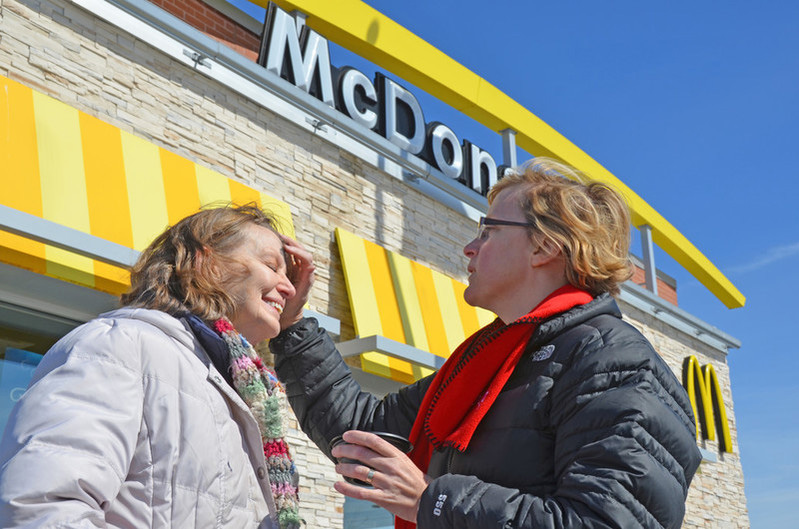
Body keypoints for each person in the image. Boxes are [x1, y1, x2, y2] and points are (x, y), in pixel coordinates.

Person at [269, 158, 702, 528]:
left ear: (544, 247)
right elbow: (365, 432)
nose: (469, 248)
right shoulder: (493, 361)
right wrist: (292, 326)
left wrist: (433, 501)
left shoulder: (614, 361)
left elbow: (603, 522)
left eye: (488, 231)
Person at [0, 204, 310, 529]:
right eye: (271, 266)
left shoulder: (244, 391)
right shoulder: (121, 346)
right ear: (207, 263)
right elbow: (40, 508)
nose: (289, 289)